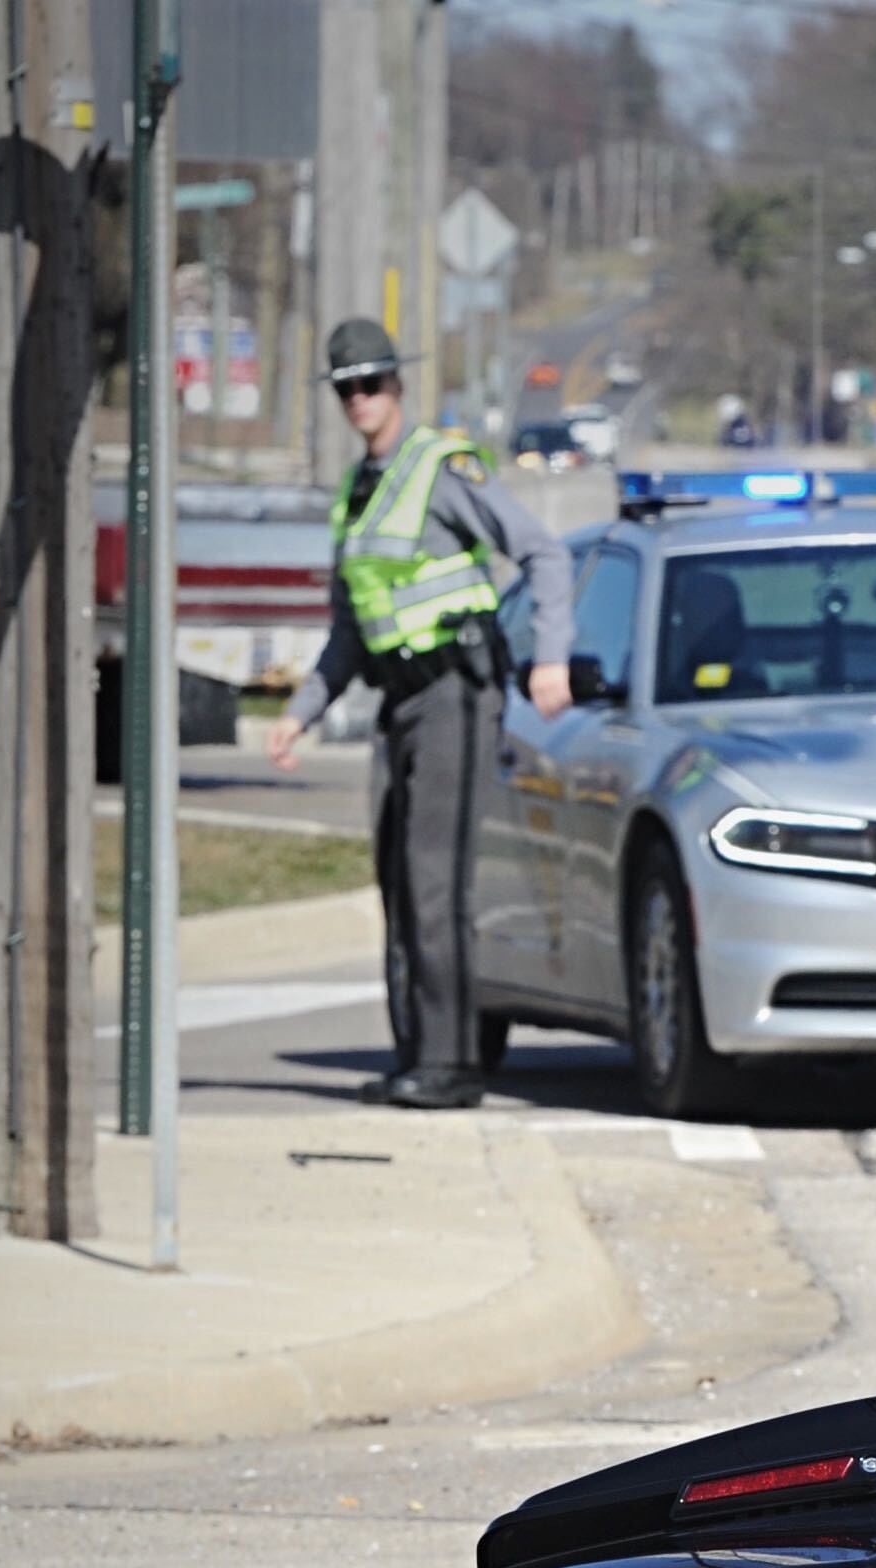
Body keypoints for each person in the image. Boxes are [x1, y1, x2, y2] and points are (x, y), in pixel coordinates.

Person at [268, 319, 574, 1108]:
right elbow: (349, 627)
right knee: (400, 882)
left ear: (397, 387)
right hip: (396, 704)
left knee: (437, 882)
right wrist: (301, 712)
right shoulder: (356, 494)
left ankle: (452, 1064)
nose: (360, 401)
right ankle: (417, 1054)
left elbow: (542, 549)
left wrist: (550, 658)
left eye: (371, 385)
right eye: (347, 390)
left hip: (455, 695)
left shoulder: (441, 468)